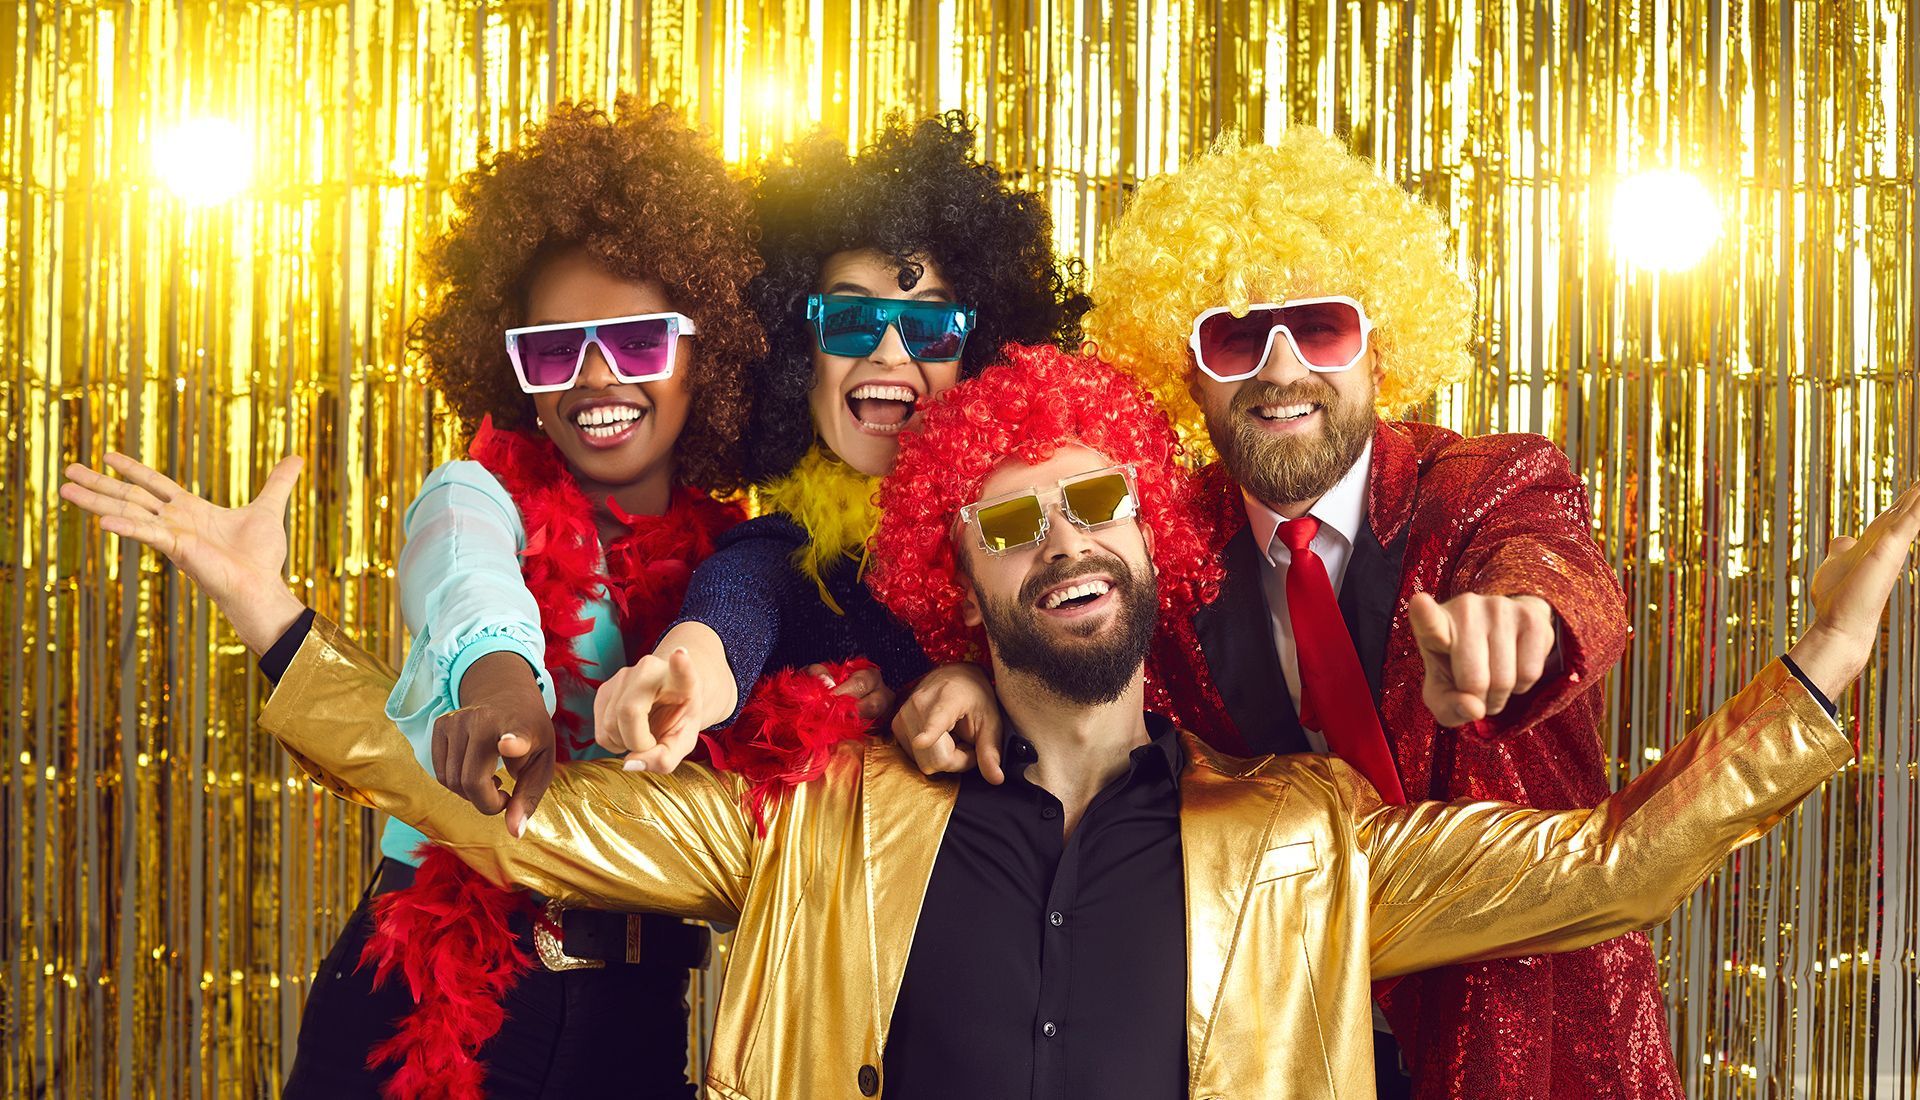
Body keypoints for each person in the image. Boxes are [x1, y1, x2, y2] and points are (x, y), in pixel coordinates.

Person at [74, 346, 1916, 1098]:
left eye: (1098, 501)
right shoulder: (814, 824)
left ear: (1157, 536)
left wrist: (1818, 671)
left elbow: (1611, 871)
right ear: (961, 577)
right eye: (1012, 520)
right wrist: (281, 628)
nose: (1067, 543)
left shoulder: (1302, 839)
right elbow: (515, 823)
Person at [903, 127, 1663, 1097]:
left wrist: (1523, 621)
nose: (1279, 367)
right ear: (1186, 369)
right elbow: (1081, 654)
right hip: (1281, 1050)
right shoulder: (1163, 547)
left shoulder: (1484, 485)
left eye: (1321, 327)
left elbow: (1554, 567)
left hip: (1517, 1037)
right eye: (1233, 335)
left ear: (1381, 347)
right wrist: (979, 670)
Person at [65, 99, 763, 1098]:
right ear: (516, 373)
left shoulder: (735, 564)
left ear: (710, 352)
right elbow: (466, 575)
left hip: (637, 1023)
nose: (597, 377)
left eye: (640, 341)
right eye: (554, 350)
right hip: (430, 998)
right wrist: (500, 678)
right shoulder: (474, 493)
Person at [528, 112, 1086, 801]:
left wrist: (982, 679)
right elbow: (735, 606)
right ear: (798, 356)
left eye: (932, 325)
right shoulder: (786, 558)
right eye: (850, 319)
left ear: (975, 356)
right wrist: (689, 676)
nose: (888, 351)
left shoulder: (1045, 524)